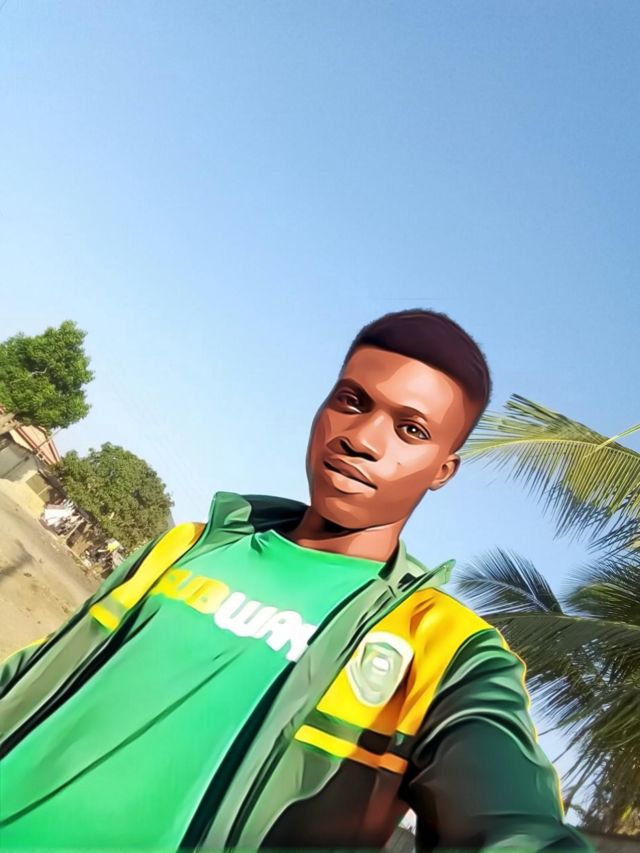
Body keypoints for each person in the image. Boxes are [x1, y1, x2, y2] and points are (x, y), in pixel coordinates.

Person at [0, 309, 591, 851]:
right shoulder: (189, 544)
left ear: (443, 470)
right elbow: (36, 671)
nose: (362, 439)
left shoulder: (443, 651)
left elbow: (517, 828)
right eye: (352, 401)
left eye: (410, 430)